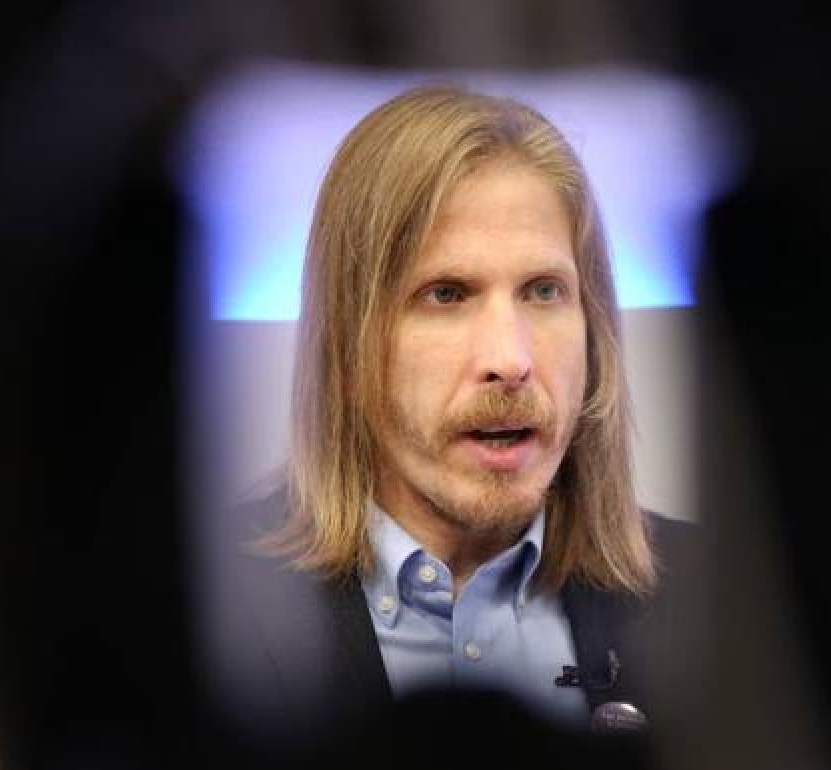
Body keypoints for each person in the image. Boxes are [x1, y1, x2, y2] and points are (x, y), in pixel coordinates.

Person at [224, 84, 694, 754]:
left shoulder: (717, 598)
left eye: (544, 291)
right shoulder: (215, 609)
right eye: (445, 294)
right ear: (348, 347)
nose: (511, 359)